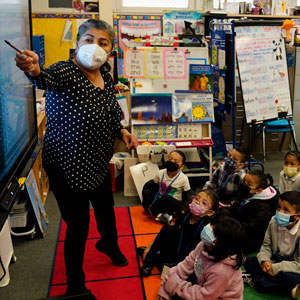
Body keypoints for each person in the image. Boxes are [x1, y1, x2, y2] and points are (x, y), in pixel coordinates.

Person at [15, 19, 138, 295]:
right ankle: (75, 285)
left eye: (103, 42)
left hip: (97, 160)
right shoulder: (66, 72)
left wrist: (122, 130)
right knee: (79, 225)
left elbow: (110, 110)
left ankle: (108, 243)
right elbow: (43, 77)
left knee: (107, 211)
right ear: (77, 44)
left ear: (110, 50)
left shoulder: (105, 76)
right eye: (89, 40)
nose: (95, 47)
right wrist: (34, 69)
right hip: (67, 165)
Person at [157, 216, 245, 300]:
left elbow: (203, 297)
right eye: (210, 225)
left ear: (222, 243)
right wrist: (165, 289)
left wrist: (175, 286)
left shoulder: (221, 272)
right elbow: (184, 266)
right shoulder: (204, 245)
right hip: (204, 285)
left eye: (213, 232)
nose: (208, 230)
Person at [138, 189, 219, 277]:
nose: (198, 203)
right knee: (168, 228)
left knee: (174, 273)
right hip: (175, 249)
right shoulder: (185, 216)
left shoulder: (206, 227)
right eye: (197, 198)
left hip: (190, 257)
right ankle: (149, 260)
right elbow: (167, 232)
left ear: (210, 212)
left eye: (204, 203)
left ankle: (157, 255)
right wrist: (150, 247)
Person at [243, 191, 300, 299]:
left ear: (297, 217)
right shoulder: (274, 222)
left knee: (291, 277)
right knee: (249, 261)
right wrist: (265, 260)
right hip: (276, 259)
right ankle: (287, 287)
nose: (280, 212)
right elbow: (266, 246)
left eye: (286, 210)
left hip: (293, 266)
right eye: (279, 207)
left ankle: (258, 280)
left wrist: (276, 267)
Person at [229, 170, 279, 253]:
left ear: (259, 190)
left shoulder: (264, 208)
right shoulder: (247, 193)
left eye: (249, 184)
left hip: (255, 237)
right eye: (244, 181)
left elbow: (251, 228)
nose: (244, 185)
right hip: (241, 225)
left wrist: (230, 230)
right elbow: (235, 207)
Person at [142, 150, 191, 224]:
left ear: (181, 167)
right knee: (147, 192)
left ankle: (157, 212)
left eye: (176, 161)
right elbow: (153, 186)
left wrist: (183, 211)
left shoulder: (184, 178)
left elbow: (187, 196)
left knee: (165, 197)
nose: (172, 162)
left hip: (173, 202)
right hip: (160, 199)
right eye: (170, 159)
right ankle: (160, 215)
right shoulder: (160, 173)